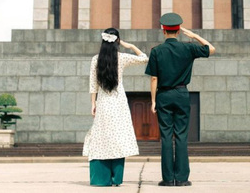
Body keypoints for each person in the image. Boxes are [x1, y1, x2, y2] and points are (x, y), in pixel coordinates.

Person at [145, 13, 215, 187]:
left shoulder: (156, 51)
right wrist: (194, 36)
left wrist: (153, 101)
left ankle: (168, 179)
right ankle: (182, 179)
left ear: (163, 31)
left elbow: (154, 78)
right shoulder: (188, 48)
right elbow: (211, 49)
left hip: (163, 95)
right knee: (182, 136)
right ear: (178, 31)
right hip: (182, 94)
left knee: (167, 137)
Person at [83, 27, 148, 187]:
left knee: (101, 137)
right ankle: (116, 178)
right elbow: (144, 58)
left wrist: (93, 103)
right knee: (118, 137)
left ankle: (100, 178)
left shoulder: (95, 60)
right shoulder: (122, 58)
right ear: (117, 41)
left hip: (103, 103)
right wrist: (130, 46)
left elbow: (93, 84)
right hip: (119, 103)